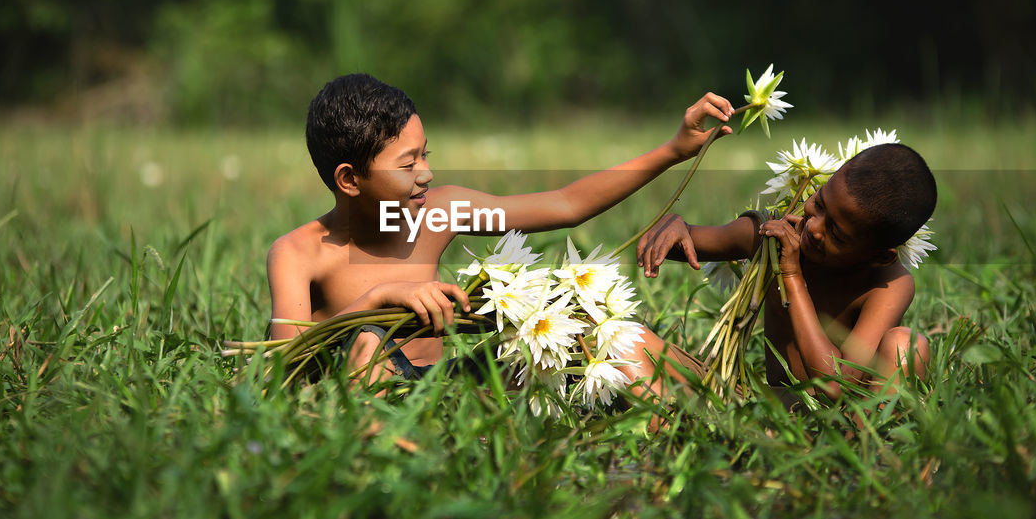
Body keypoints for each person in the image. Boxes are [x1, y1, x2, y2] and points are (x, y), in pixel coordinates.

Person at [267, 72, 730, 399]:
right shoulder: (297, 253)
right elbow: (282, 367)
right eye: (408, 165)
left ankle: (716, 408)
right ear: (349, 180)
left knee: (609, 336)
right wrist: (375, 301)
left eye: (425, 155)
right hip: (375, 395)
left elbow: (567, 204)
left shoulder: (435, 213)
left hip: (452, 387)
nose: (426, 174)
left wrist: (673, 150)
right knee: (366, 340)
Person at [636, 143, 936, 403]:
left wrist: (792, 276)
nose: (814, 227)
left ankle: (874, 461)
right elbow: (679, 243)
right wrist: (673, 226)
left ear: (880, 257)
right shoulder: (772, 238)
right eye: (818, 203)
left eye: (837, 234)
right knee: (632, 341)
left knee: (908, 345)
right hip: (766, 411)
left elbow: (834, 387)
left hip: (847, 425)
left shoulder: (888, 285)